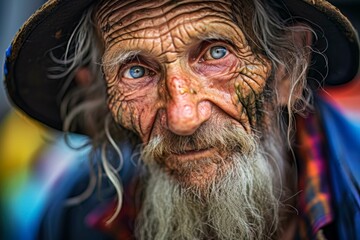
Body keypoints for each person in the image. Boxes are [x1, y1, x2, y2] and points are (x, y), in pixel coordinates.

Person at [3, 0, 360, 239]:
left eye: (217, 53)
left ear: (286, 66)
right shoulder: (72, 215)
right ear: (101, 96)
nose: (182, 118)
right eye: (136, 71)